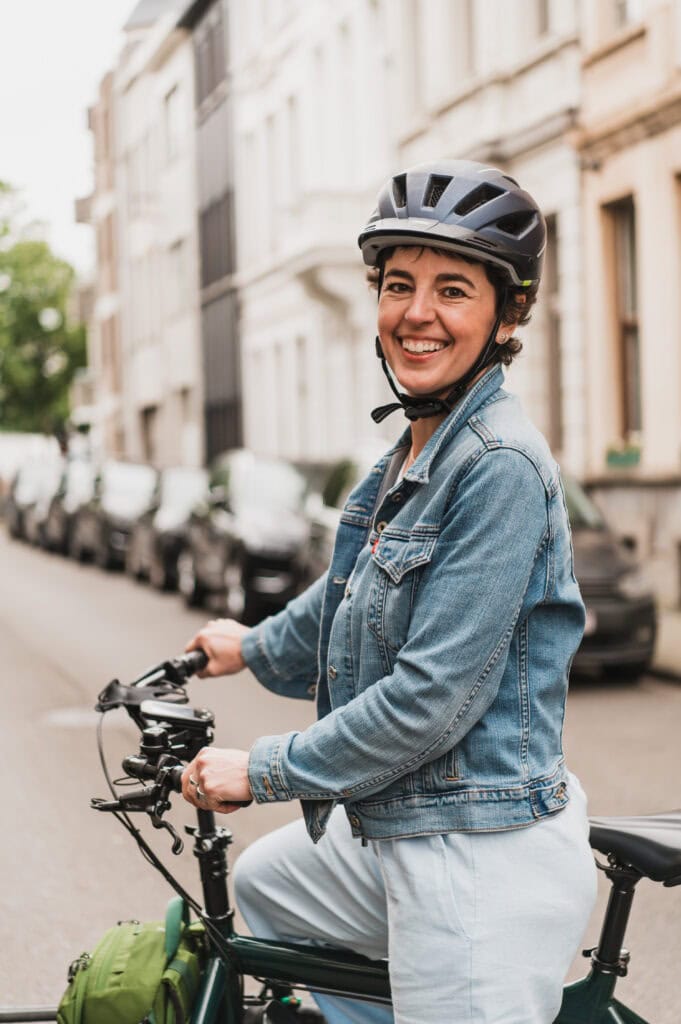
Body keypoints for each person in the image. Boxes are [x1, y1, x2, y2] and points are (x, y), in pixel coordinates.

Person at [181, 160, 597, 1024]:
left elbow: (429, 702)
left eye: (452, 290)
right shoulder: (411, 455)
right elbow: (343, 600)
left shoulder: (498, 465)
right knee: (269, 882)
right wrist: (245, 646)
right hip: (404, 827)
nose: (417, 312)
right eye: (399, 284)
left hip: (480, 853)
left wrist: (259, 772)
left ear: (506, 313)